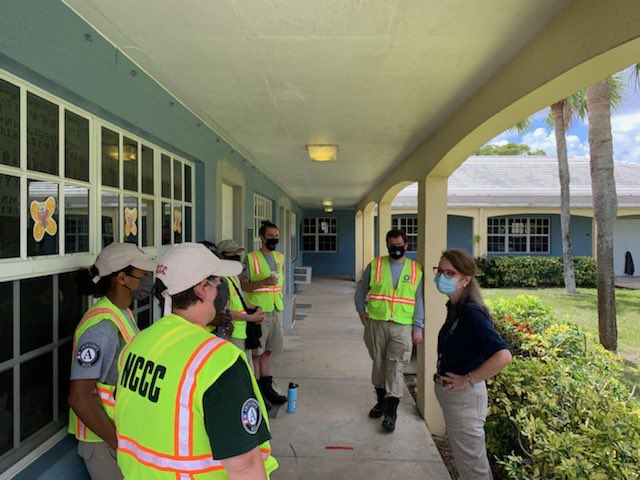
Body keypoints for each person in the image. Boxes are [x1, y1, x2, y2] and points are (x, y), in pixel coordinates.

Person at [114, 242, 278, 479]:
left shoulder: (137, 344)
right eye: (219, 282)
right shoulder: (218, 360)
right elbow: (245, 466)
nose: (222, 289)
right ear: (203, 288)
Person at [68, 242, 156, 480]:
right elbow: (79, 397)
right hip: (104, 444)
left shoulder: (122, 312)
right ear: (121, 278)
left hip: (122, 436)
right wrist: (119, 443)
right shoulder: (102, 329)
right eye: (143, 275)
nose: (148, 280)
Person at [433, 249, 512, 480]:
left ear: (466, 279)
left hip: (465, 399)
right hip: (456, 399)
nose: (441, 277)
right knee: (467, 463)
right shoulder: (455, 307)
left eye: (449, 273)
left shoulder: (471, 313)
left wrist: (467, 379)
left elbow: (503, 356)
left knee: (473, 470)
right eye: (439, 271)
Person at [354, 228, 424, 432]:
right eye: (392, 246)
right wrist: (362, 314)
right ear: (387, 246)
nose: (396, 249)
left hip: (403, 326)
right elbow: (360, 293)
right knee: (379, 363)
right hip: (376, 323)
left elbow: (419, 301)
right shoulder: (375, 265)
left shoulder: (414, 269)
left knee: (396, 365)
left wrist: (417, 328)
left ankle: (391, 412)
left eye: (399, 246)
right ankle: (381, 400)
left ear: (406, 246)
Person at [240, 221, 287, 409]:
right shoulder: (250, 259)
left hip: (276, 309)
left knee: (269, 350)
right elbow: (243, 286)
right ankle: (259, 392)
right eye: (270, 236)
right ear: (261, 237)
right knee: (257, 354)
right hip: (260, 311)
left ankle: (268, 388)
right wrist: (264, 282)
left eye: (276, 236)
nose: (274, 239)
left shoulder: (280, 258)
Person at [217, 239, 266, 367]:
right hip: (230, 333)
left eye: (239, 252)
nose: (237, 256)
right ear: (221, 255)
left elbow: (241, 301)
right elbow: (222, 311)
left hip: (241, 332)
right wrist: (249, 317)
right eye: (232, 253)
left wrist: (256, 309)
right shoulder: (220, 280)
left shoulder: (233, 275)